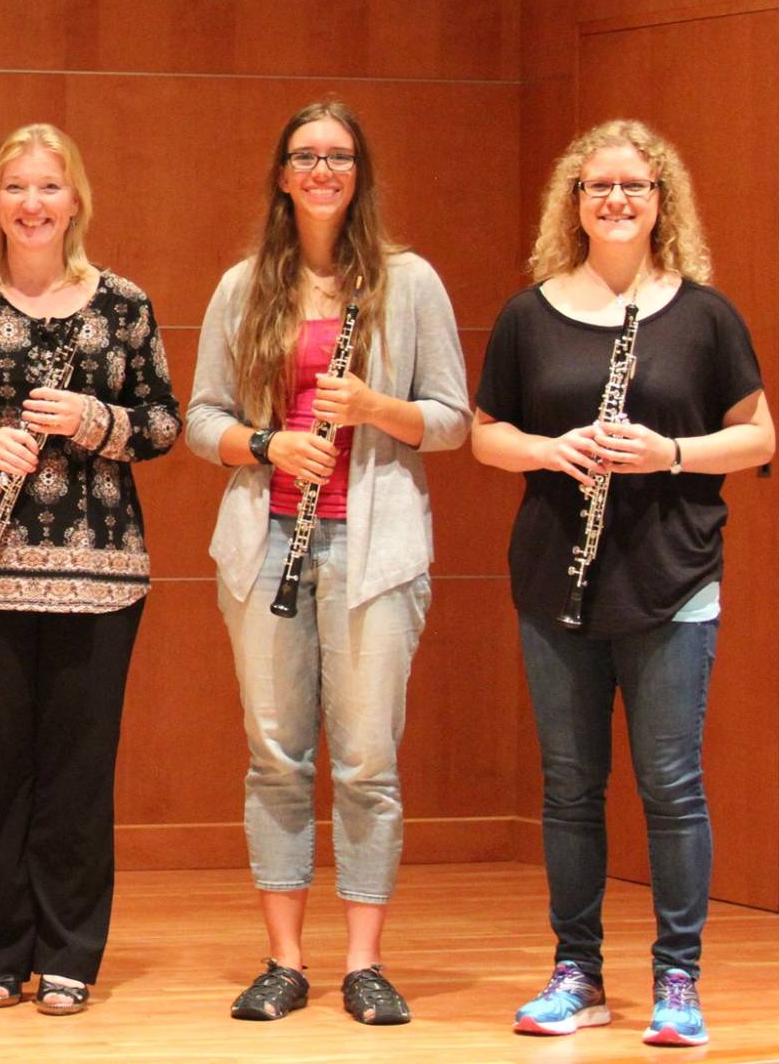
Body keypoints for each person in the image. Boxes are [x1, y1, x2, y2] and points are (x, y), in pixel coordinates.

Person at [472, 119, 772, 1048]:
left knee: (672, 785)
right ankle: (578, 973)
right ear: (574, 200)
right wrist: (551, 449)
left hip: (673, 580)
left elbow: (758, 436)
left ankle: (679, 980)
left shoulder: (706, 314)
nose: (615, 199)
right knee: (570, 788)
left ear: (660, 202)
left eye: (634, 187)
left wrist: (667, 453)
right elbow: (486, 433)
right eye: (598, 185)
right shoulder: (529, 314)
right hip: (557, 577)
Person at [185, 100, 469, 1027]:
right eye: (305, 155)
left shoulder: (410, 281)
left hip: (375, 550)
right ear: (282, 173)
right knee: (275, 756)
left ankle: (364, 964)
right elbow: (202, 419)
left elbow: (454, 420)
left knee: (367, 761)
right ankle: (284, 960)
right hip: (267, 544)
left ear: (360, 174)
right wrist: (269, 445)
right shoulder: (243, 286)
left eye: (339, 156)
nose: (321, 169)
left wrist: (376, 408)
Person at [0, 122, 179, 1015]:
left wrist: (99, 422)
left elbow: (165, 420)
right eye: (16, 186)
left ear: (76, 200)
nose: (33, 203)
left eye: (49, 186)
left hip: (99, 572)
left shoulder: (123, 306)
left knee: (80, 766)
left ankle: (70, 953)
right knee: (1, 757)